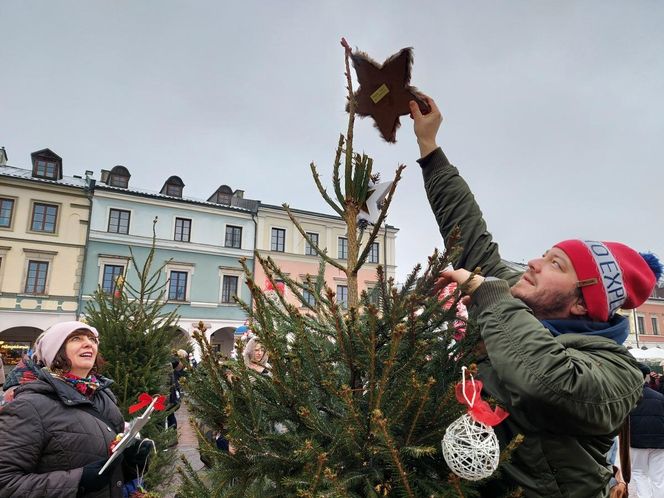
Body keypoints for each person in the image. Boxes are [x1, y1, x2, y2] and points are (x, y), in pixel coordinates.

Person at [410, 96, 662, 497]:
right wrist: (430, 147)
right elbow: (470, 235)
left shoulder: (617, 373)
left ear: (582, 303)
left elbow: (545, 382)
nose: (533, 263)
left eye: (555, 265)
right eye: (545, 254)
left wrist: (489, 295)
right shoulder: (518, 297)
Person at [0, 321, 152, 497]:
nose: (89, 343)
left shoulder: (104, 398)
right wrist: (78, 481)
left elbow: (109, 472)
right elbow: (5, 483)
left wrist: (131, 464)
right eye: (76, 338)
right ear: (55, 351)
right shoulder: (29, 406)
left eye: (92, 339)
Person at [629, 363, 664, 497]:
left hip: (638, 442)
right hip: (660, 442)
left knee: (639, 472)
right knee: (659, 477)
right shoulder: (660, 397)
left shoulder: (629, 398)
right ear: (646, 377)